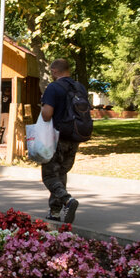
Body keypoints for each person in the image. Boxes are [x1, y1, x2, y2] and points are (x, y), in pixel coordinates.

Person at [40, 58, 82, 224]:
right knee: (61, 173)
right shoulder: (79, 87)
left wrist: (43, 106)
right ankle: (55, 212)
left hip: (57, 137)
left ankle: (67, 200)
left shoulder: (54, 87)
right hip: (75, 136)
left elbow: (47, 114)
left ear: (54, 71)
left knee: (49, 175)